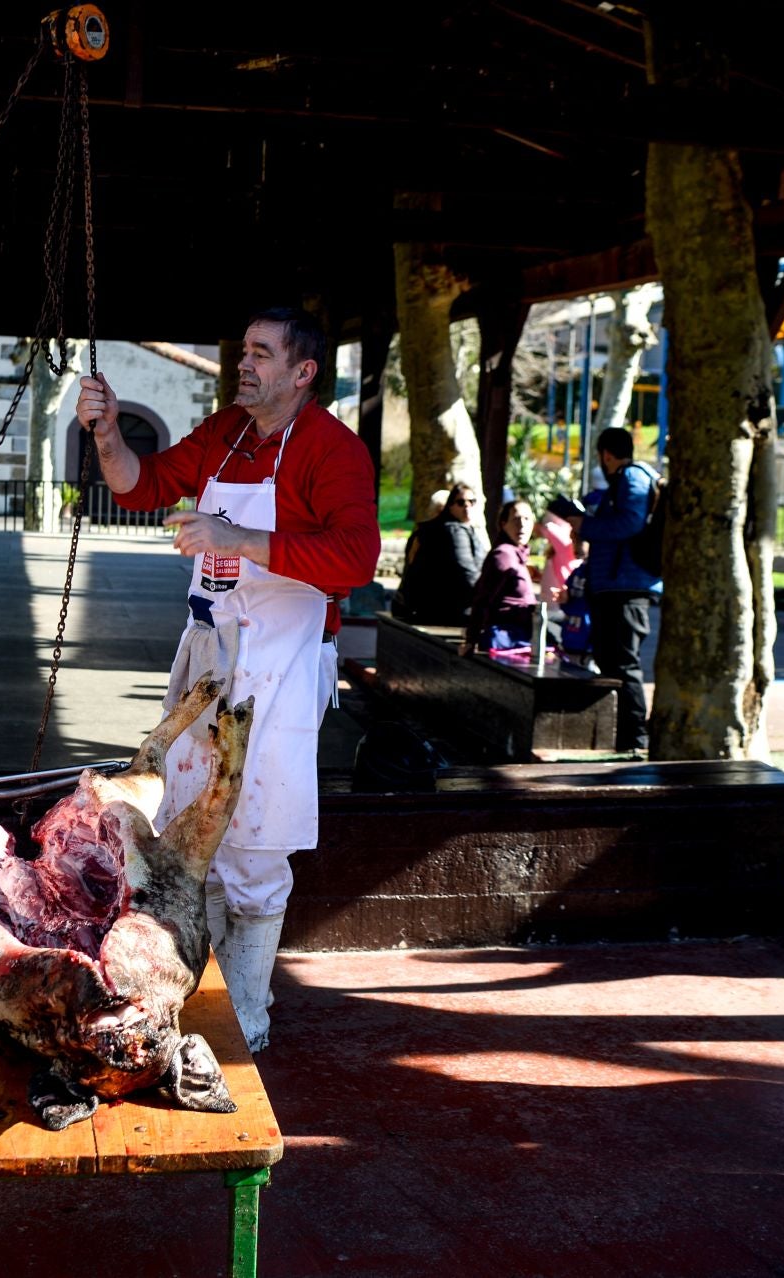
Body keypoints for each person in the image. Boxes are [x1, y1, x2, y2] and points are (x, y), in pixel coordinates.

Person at [74, 305, 378, 1052]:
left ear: (303, 373)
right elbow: (141, 487)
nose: (245, 364)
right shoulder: (224, 434)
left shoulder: (332, 451)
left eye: (262, 354)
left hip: (281, 661)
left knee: (254, 841)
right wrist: (107, 433)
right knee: (192, 829)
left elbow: (356, 560)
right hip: (211, 650)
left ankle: (246, 1020)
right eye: (243, 351)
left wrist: (239, 538)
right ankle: (193, 1002)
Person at [578, 427, 662, 757]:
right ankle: (626, 735)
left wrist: (586, 526)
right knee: (613, 661)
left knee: (623, 663)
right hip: (615, 584)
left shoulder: (632, 478)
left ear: (606, 454)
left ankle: (635, 737)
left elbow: (630, 523)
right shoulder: (629, 479)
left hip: (626, 586)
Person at [393, 482, 488, 624]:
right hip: (450, 611)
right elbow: (467, 573)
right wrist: (488, 597)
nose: (467, 506)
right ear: (450, 508)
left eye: (471, 501)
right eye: (460, 502)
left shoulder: (465, 530)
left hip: (442, 609)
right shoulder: (454, 530)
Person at [463, 499, 537, 655]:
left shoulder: (518, 554)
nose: (522, 525)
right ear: (503, 524)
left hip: (521, 636)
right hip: (507, 639)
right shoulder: (503, 555)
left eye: (527, 519)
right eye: (516, 519)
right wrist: (471, 640)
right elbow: (482, 597)